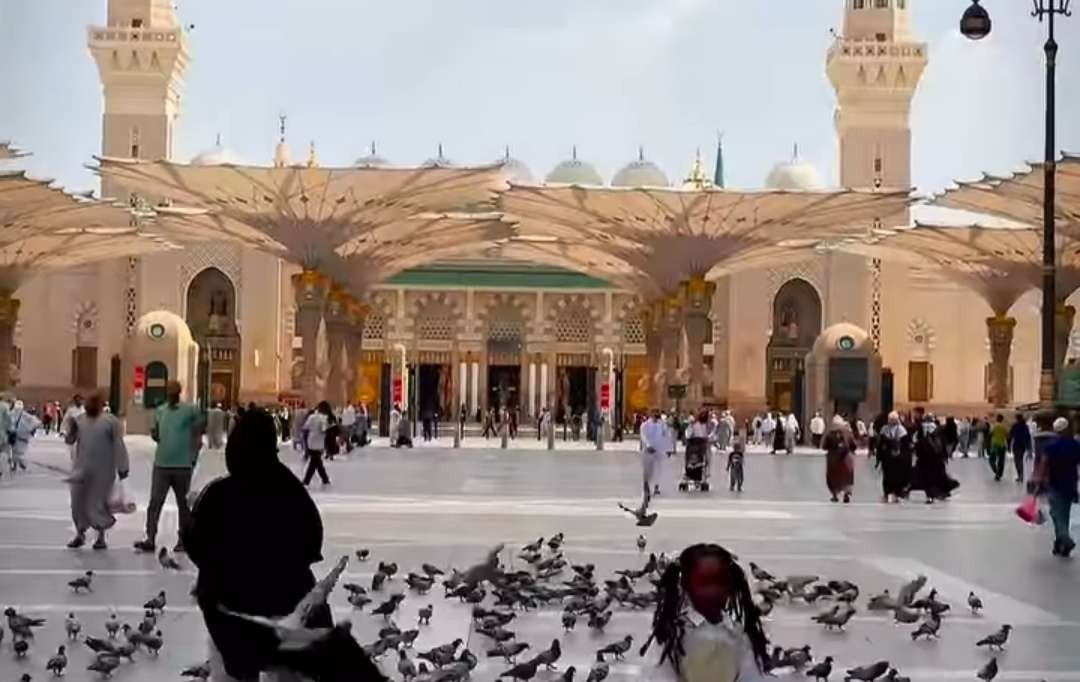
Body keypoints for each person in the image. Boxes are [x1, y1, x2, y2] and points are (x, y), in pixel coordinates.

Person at [182, 409, 386, 682]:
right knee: (334, 648)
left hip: (229, 621)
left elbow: (194, 544)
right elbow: (312, 542)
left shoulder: (216, 495)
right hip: (283, 613)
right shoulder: (290, 492)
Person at [643, 543, 768, 682]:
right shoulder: (671, 636)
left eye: (720, 582)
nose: (713, 591)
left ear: (730, 585)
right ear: (685, 585)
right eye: (703, 583)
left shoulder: (739, 636)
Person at [134, 381, 203, 554]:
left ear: (178, 393)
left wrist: (193, 454)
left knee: (183, 505)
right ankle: (150, 538)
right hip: (162, 463)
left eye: (174, 393)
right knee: (155, 503)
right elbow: (156, 433)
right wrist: (155, 433)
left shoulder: (190, 410)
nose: (171, 395)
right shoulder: (160, 410)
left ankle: (183, 540)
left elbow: (199, 431)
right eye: (169, 393)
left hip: (182, 465)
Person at [65, 393, 129, 550]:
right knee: (77, 503)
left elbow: (118, 445)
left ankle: (100, 537)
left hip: (103, 470)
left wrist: (122, 466)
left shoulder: (110, 422)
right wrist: (71, 430)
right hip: (81, 469)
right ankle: (80, 534)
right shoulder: (80, 420)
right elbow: (70, 440)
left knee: (98, 504)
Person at [1036, 417, 1080, 558]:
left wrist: (1039, 482)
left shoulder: (1050, 446)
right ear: (1067, 428)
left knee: (1056, 514)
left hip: (1054, 484)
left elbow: (1043, 465)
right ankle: (1060, 545)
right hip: (1070, 484)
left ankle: (1065, 539)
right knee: (1064, 515)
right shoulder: (1075, 445)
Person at [877, 411, 910, 503]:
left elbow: (905, 446)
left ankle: (896, 493)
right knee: (887, 476)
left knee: (897, 477)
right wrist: (879, 456)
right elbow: (880, 444)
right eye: (890, 419)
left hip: (898, 458)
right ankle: (887, 494)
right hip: (887, 458)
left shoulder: (901, 430)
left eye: (893, 419)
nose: (892, 421)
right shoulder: (884, 429)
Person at [822, 416, 855, 503]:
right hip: (846, 459)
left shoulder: (830, 434)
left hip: (833, 459)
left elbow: (824, 446)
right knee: (847, 477)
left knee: (833, 477)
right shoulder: (848, 433)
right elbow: (853, 445)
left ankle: (834, 495)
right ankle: (847, 493)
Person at [640, 410, 669, 508]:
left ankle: (656, 486)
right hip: (648, 450)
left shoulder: (662, 425)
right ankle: (646, 485)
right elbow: (643, 437)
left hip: (659, 450)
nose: (656, 417)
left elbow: (665, 435)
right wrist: (648, 445)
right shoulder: (645, 425)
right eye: (654, 414)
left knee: (658, 469)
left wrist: (667, 449)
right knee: (648, 470)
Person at [301, 401, 332, 486]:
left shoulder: (311, 416)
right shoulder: (324, 418)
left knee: (317, 461)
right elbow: (324, 429)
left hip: (311, 441)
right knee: (315, 461)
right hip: (319, 442)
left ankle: (325, 478)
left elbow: (305, 427)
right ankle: (306, 480)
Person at [8, 400, 42, 473]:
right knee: (21, 452)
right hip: (24, 435)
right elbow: (37, 422)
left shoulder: (11, 414)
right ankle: (21, 463)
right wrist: (30, 428)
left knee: (14, 450)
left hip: (13, 434)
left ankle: (15, 464)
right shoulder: (25, 415)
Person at [1008, 412, 1032, 483]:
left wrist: (1009, 446)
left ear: (1016, 418)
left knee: (1017, 460)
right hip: (1023, 445)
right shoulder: (1025, 426)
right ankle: (1021, 475)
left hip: (1016, 445)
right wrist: (1029, 447)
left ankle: (1020, 475)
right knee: (1020, 460)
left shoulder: (1015, 426)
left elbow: (1010, 436)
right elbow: (1028, 437)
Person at [988, 414, 1009, 481]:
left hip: (995, 445)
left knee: (991, 460)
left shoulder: (994, 426)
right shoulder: (1004, 427)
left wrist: (987, 445)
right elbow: (1007, 435)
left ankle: (996, 471)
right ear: (1002, 419)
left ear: (997, 419)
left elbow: (990, 434)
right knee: (1001, 461)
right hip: (1002, 445)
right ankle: (999, 474)